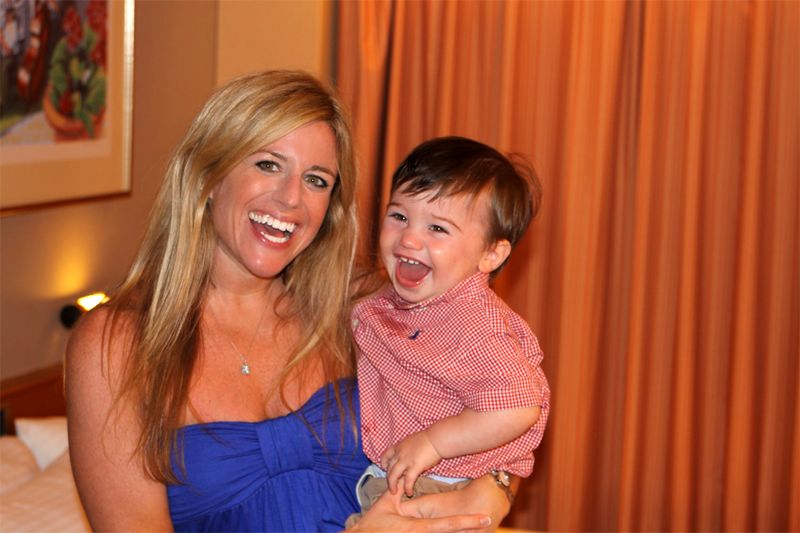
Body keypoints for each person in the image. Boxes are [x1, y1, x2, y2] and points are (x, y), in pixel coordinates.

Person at [66, 70, 515, 532]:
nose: (290, 200)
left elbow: (502, 395)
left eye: (316, 180)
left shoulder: (362, 309)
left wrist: (495, 488)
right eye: (267, 165)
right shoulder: (115, 345)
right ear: (208, 175)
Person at [347, 137, 550, 523]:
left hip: (441, 483)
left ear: (491, 254)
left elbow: (518, 407)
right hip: (417, 479)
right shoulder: (397, 303)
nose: (409, 238)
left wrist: (433, 442)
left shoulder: (476, 323)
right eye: (399, 216)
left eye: (437, 228)